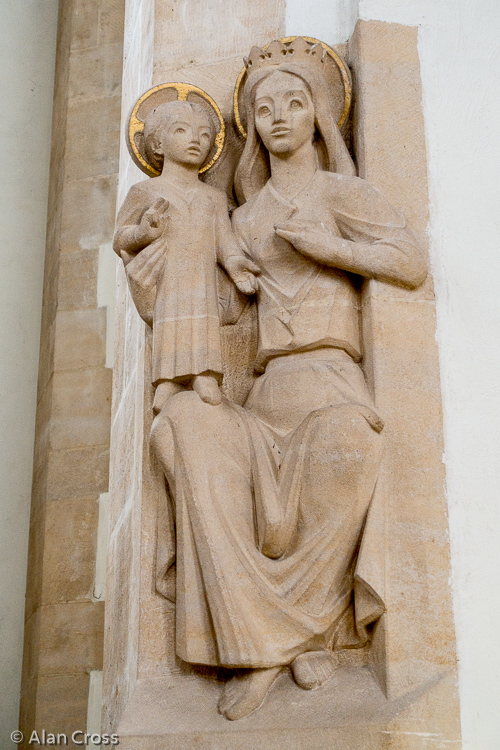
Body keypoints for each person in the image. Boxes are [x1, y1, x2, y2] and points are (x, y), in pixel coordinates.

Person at [151, 39, 427, 721]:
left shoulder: (342, 193)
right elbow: (221, 314)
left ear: (318, 116)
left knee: (350, 448)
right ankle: (266, 639)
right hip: (267, 390)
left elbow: (409, 262)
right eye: (263, 108)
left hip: (332, 379)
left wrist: (327, 246)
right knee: (181, 428)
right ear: (252, 127)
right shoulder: (241, 217)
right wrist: (163, 258)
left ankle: (289, 637)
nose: (278, 117)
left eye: (294, 103)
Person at [113, 100, 258, 413]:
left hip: (202, 275)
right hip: (168, 272)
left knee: (202, 318)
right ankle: (166, 380)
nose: (196, 140)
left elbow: (224, 240)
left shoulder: (213, 197)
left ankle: (204, 374)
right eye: (182, 131)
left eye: (204, 135)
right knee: (170, 320)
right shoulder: (145, 192)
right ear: (158, 143)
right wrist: (144, 232)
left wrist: (236, 266)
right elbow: (120, 237)